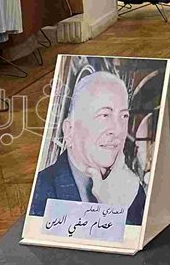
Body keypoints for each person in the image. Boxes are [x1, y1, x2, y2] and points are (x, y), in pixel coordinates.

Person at [29, 71, 147, 225]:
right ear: (69, 130)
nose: (118, 130)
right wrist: (113, 211)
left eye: (124, 116)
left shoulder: (132, 189)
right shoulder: (41, 192)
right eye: (105, 115)